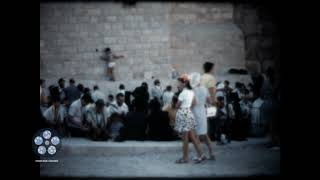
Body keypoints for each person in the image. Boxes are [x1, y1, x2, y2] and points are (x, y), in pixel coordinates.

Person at [174, 74, 206, 164]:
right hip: (189, 113)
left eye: (179, 83)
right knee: (193, 137)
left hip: (183, 114)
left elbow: (177, 106)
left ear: (184, 83)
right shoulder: (191, 92)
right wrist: (188, 107)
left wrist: (181, 105)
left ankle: (185, 158)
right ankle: (201, 154)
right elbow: (194, 102)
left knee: (185, 139)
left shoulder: (183, 93)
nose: (178, 84)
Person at [190, 72, 215, 160]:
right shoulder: (205, 89)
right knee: (204, 134)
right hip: (203, 112)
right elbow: (210, 102)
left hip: (194, 113)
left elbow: (192, 104)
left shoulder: (192, 90)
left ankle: (200, 155)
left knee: (195, 135)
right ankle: (211, 153)